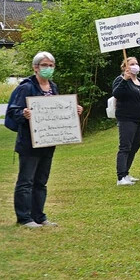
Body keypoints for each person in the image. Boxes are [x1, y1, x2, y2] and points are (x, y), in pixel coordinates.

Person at [7, 52, 83, 228]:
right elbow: (13, 111)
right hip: (29, 142)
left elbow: (58, 109)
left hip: (48, 141)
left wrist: (73, 110)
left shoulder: (53, 87)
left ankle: (39, 216)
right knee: (26, 181)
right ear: (35, 67)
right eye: (44, 65)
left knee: (41, 181)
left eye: (51, 65)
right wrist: (23, 113)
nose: (48, 68)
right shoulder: (26, 87)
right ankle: (24, 218)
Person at [112, 56, 140, 186]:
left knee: (135, 147)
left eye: (136, 63)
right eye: (132, 64)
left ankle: (126, 173)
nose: (135, 65)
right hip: (126, 119)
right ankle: (121, 176)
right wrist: (125, 79)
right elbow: (117, 94)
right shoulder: (120, 80)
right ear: (125, 67)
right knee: (125, 147)